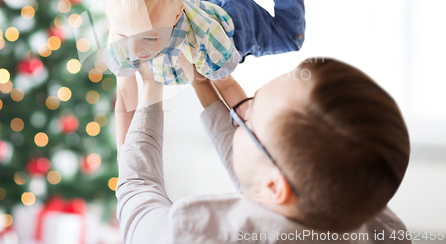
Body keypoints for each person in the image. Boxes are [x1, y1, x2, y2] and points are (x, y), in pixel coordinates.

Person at [115, 56, 411, 243]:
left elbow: (137, 192)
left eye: (248, 119)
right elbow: (270, 167)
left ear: (274, 186)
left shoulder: (196, 234)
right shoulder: (378, 222)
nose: (238, 115)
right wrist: (203, 84)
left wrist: (150, 90)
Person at [102, 0, 306, 152]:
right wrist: (123, 153)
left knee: (288, 37)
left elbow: (226, 85)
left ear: (176, 14)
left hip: (237, 26)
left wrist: (250, 125)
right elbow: (124, 93)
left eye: (148, 37)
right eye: (124, 34)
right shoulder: (126, 24)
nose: (134, 49)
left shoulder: (202, 41)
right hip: (207, 2)